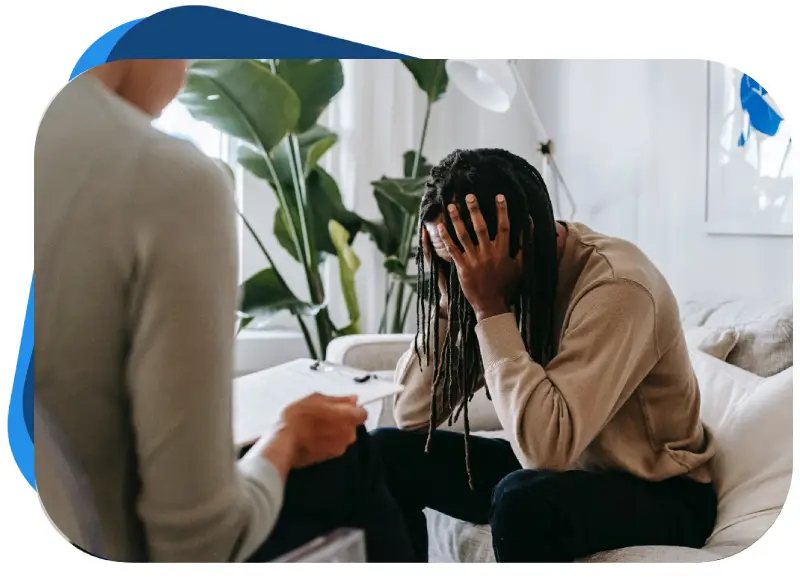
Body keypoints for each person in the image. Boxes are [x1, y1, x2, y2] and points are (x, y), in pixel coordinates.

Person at [34, 59, 414, 563]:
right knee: (353, 456)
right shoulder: (166, 179)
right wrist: (286, 438)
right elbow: (197, 546)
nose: (187, 73)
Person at [371, 148, 718, 563]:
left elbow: (545, 451)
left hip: (660, 490)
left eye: (466, 258)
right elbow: (411, 413)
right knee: (381, 452)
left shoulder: (618, 287)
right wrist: (450, 303)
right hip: (572, 467)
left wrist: (489, 308)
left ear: (524, 235)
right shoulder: (497, 275)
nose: (466, 274)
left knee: (520, 500)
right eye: (451, 260)